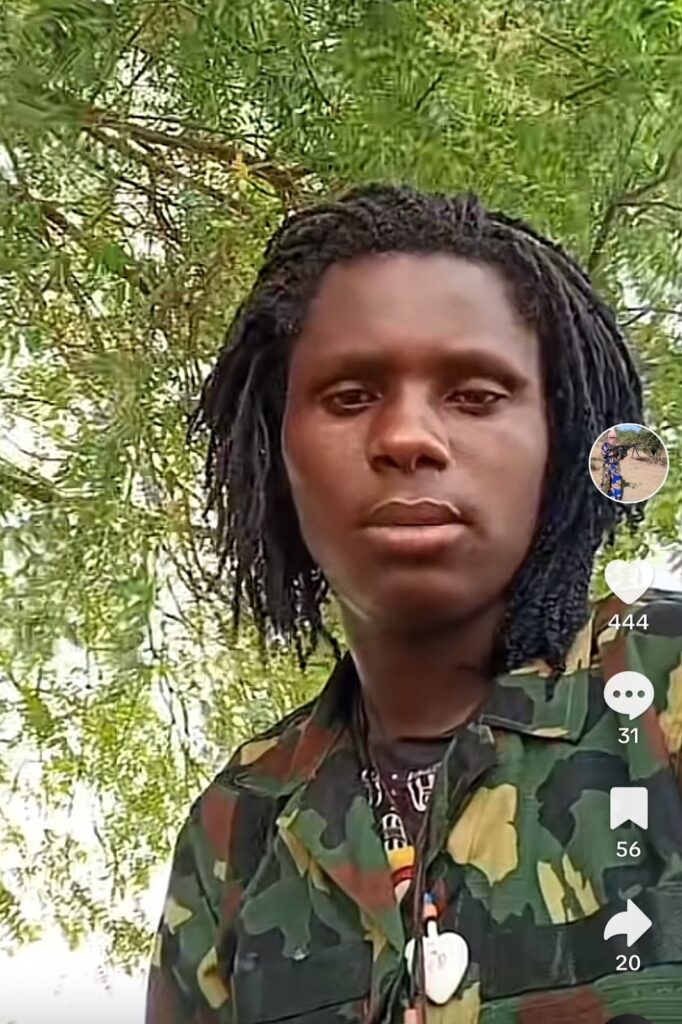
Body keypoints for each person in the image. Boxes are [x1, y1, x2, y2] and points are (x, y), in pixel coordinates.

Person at [145, 185, 682, 1024]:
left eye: (475, 395)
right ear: (273, 457)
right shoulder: (237, 829)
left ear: (565, 441)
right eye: (351, 396)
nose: (406, 437)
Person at [600, 428, 624, 500]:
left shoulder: (618, 446)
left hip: (616, 466)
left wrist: (621, 451)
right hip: (607, 466)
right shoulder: (605, 445)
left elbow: (621, 457)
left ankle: (618, 498)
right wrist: (615, 451)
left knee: (617, 482)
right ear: (608, 438)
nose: (612, 439)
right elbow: (605, 454)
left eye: (614, 437)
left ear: (616, 438)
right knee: (605, 482)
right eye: (610, 437)